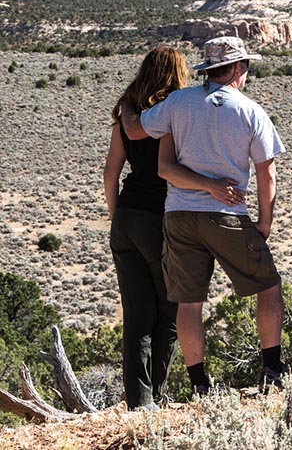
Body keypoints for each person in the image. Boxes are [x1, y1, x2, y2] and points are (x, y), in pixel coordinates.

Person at [129, 36, 286, 394]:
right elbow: (267, 173)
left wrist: (126, 106)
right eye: (244, 65)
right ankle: (273, 368)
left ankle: (199, 383)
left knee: (188, 302)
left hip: (178, 215)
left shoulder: (178, 102)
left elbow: (138, 129)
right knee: (268, 285)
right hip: (225, 214)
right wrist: (264, 222)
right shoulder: (249, 110)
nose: (246, 72)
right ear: (235, 69)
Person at [104, 46, 189, 409]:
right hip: (160, 218)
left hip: (126, 218)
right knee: (169, 311)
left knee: (137, 316)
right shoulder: (176, 113)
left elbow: (111, 172)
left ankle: (139, 403)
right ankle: (156, 395)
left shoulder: (128, 114)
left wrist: (116, 217)